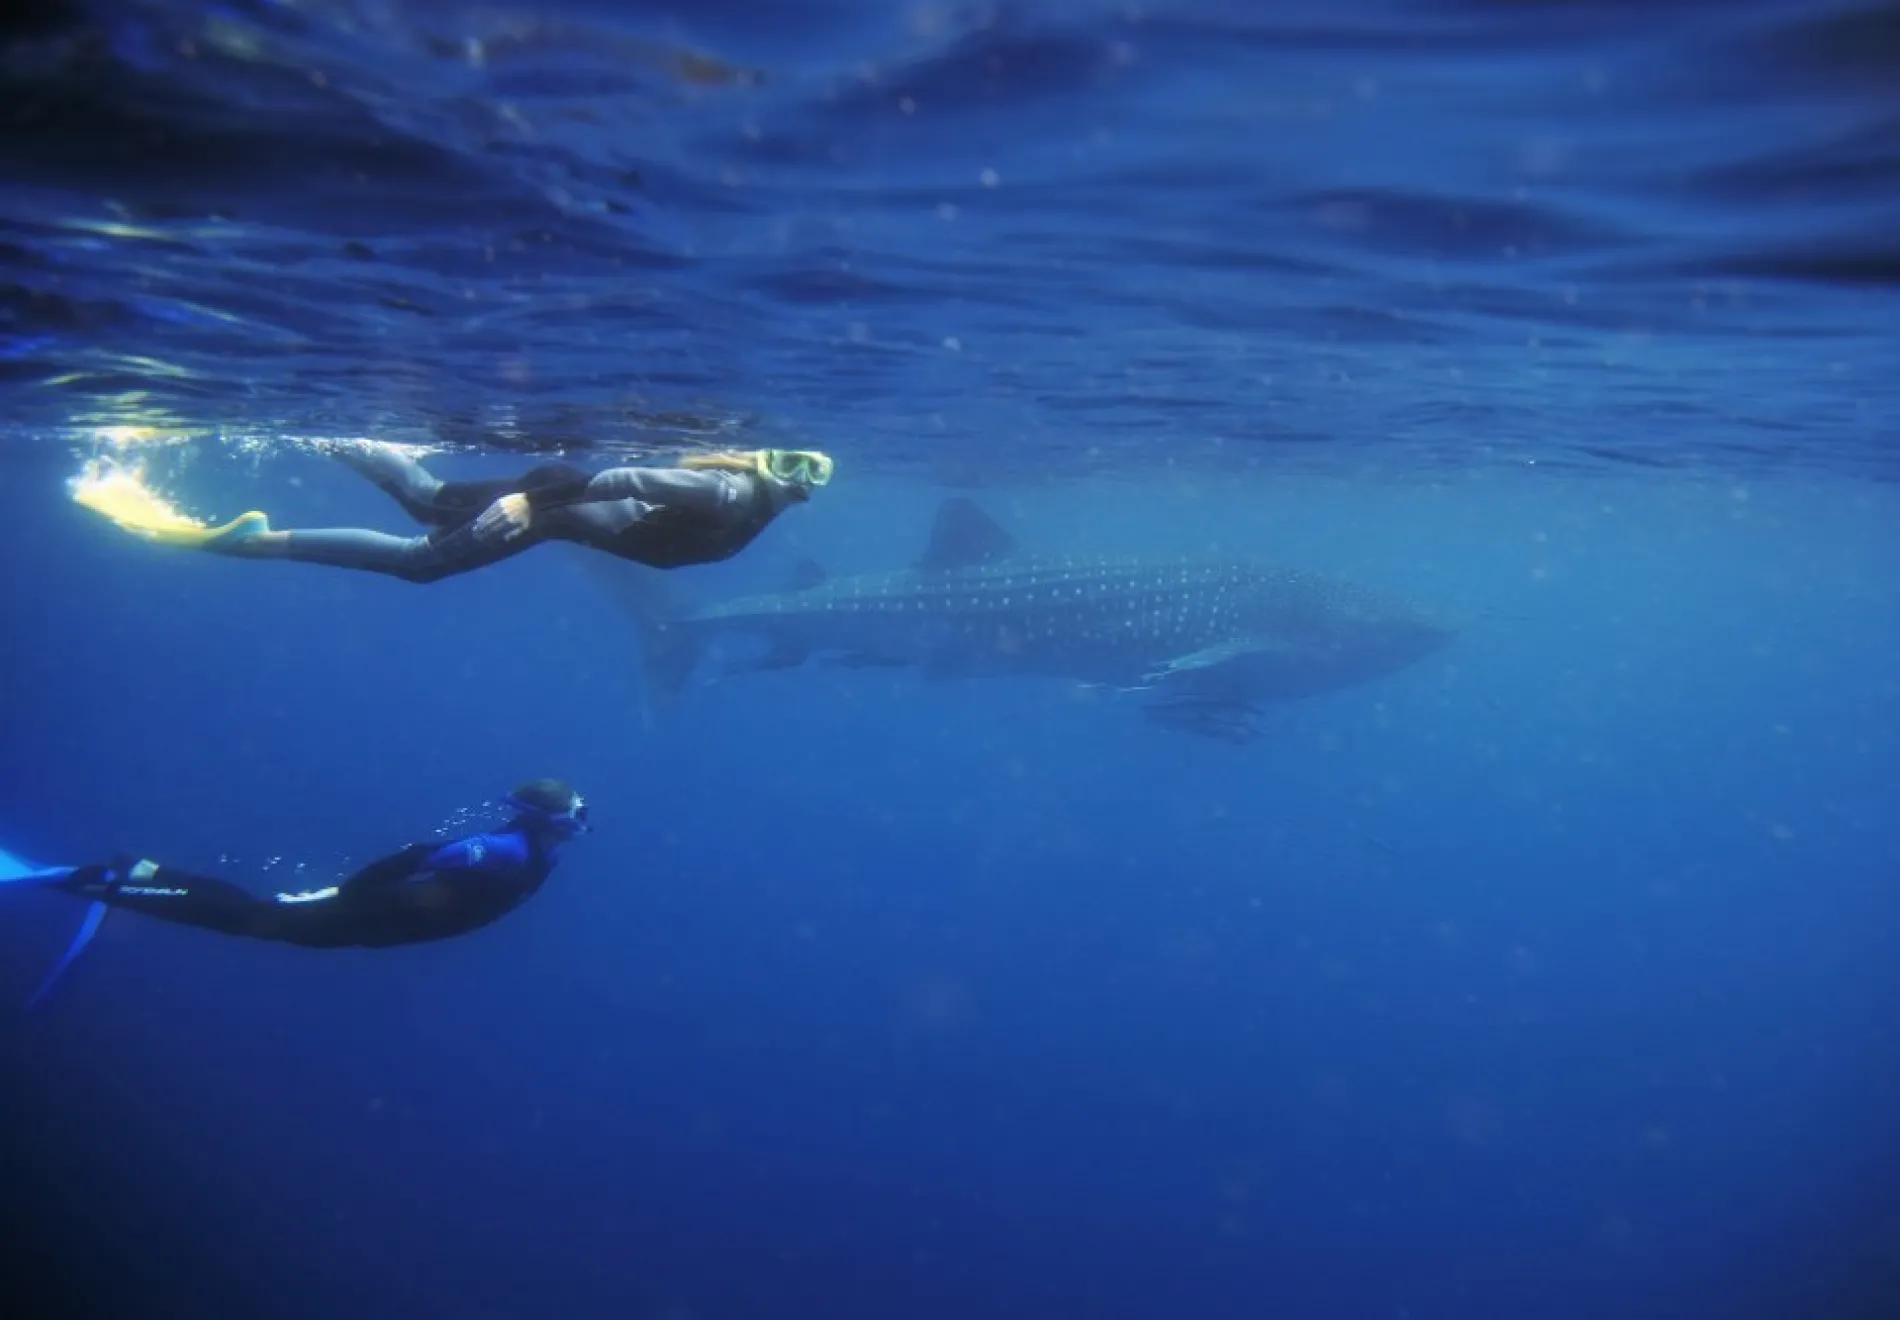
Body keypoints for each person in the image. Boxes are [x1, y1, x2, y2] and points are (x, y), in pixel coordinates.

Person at [4, 781, 590, 980]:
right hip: (375, 913)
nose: (581, 823)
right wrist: (347, 894)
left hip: (382, 922)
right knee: (253, 921)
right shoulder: (507, 852)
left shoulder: (537, 854)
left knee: (260, 917)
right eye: (575, 814)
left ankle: (145, 874)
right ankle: (98, 882)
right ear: (549, 820)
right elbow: (420, 854)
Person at [76, 443, 834, 583]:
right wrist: (528, 503)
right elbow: (631, 474)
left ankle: (329, 434)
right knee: (419, 559)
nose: (803, 485)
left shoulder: (747, 496)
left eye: (812, 480)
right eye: (799, 466)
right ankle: (251, 543)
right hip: (548, 507)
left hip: (555, 504)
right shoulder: (731, 494)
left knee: (426, 504)